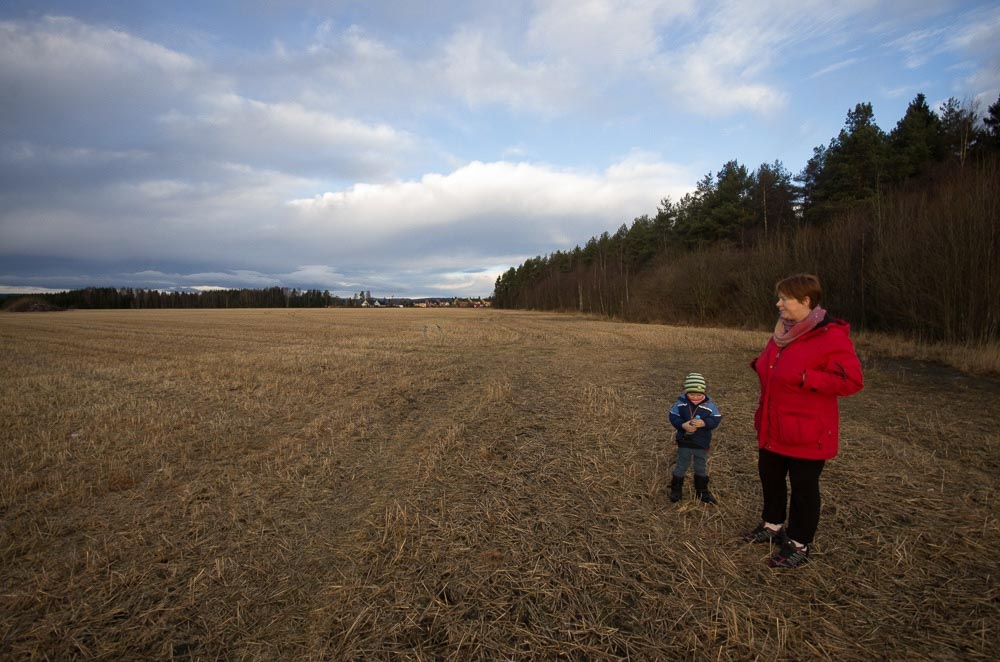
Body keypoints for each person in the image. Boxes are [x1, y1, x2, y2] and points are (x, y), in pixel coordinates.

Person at [742, 274, 864, 568]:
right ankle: (772, 526)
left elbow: (852, 381)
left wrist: (807, 378)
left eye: (785, 298)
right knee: (769, 477)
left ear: (806, 301)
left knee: (803, 489)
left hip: (807, 432)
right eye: (779, 297)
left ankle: (799, 544)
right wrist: (761, 365)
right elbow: (774, 363)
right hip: (773, 424)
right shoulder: (782, 331)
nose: (778, 303)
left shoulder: (830, 336)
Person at [668, 372, 723, 504]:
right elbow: (673, 416)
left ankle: (702, 491)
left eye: (699, 394)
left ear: (703, 392)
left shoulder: (709, 405)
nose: (695, 397)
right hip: (685, 442)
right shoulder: (680, 404)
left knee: (700, 467)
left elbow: (716, 418)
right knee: (681, 466)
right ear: (686, 391)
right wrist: (683, 425)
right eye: (692, 394)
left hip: (701, 443)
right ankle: (676, 490)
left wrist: (704, 423)